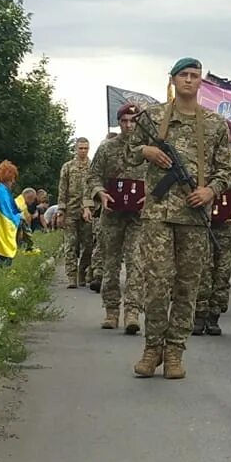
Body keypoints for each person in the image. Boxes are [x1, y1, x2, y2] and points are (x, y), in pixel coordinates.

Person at [126, 58, 231, 380]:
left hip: (194, 216)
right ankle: (152, 349)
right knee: (157, 285)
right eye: (184, 75)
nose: (189, 80)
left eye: (195, 76)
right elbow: (126, 152)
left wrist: (210, 191)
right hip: (158, 214)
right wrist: (145, 151)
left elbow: (228, 170)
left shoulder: (214, 124)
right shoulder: (154, 117)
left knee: (188, 287)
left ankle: (175, 351)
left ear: (201, 82)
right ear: (173, 80)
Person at [88, 104, 145, 333]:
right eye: (125, 121)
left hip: (138, 216)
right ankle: (111, 310)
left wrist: (150, 196)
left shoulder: (147, 150)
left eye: (133, 121)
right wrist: (100, 193)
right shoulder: (107, 148)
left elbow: (159, 178)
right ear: (119, 122)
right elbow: (93, 176)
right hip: (112, 215)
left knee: (136, 264)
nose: (129, 125)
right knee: (110, 263)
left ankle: (132, 312)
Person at [195, 185, 231, 336]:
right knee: (202, 271)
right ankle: (199, 314)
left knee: (223, 273)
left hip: (228, 228)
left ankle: (214, 315)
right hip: (201, 223)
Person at [57, 138, 95, 288]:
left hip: (88, 211)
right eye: (81, 148)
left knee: (88, 245)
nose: (83, 151)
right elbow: (62, 189)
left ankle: (82, 271)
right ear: (76, 149)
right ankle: (71, 276)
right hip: (71, 210)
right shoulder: (68, 167)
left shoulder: (93, 167)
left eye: (86, 148)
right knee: (70, 245)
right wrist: (61, 210)